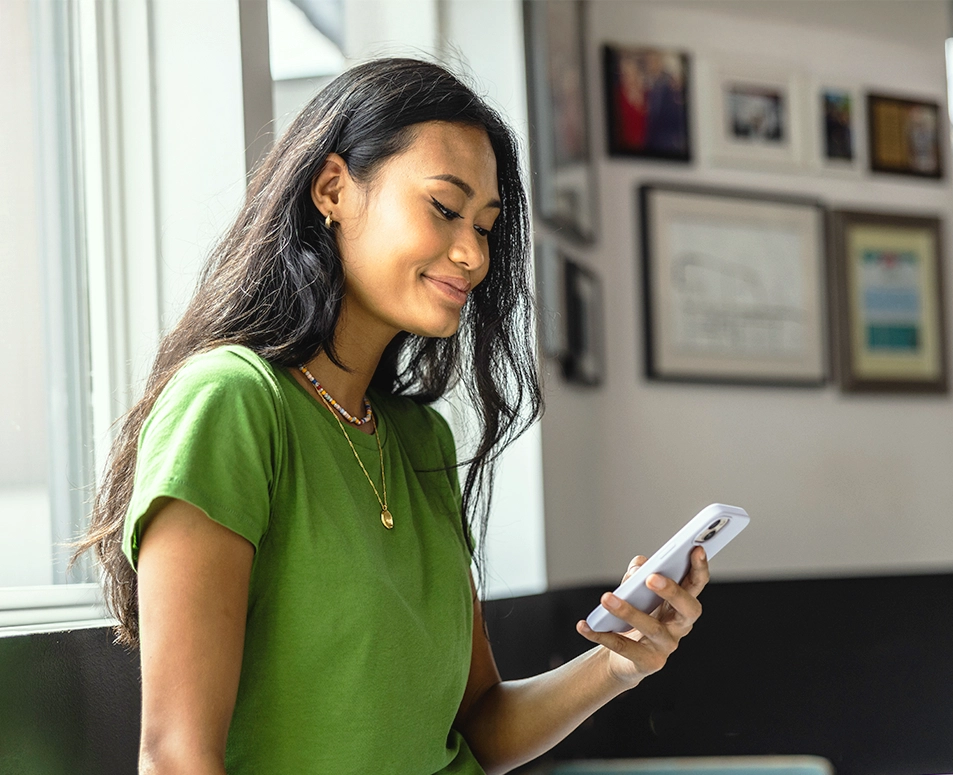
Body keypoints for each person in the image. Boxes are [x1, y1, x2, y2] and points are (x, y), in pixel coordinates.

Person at [75, 57, 709, 774]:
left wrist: (620, 663)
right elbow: (176, 756)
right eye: (443, 208)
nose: (472, 254)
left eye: (487, 225)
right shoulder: (231, 404)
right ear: (333, 189)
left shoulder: (419, 439)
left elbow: (480, 727)